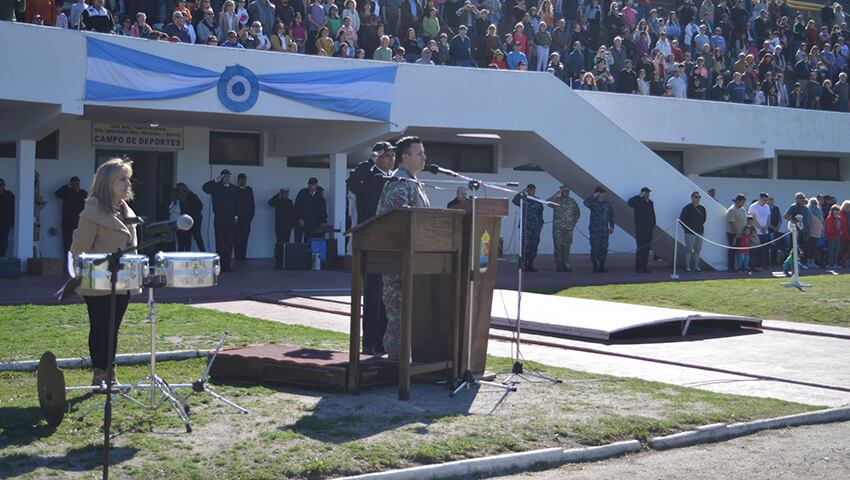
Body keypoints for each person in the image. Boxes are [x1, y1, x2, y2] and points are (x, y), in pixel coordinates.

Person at [70, 158, 139, 385]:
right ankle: (99, 374)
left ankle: (111, 373)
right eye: (122, 179)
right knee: (100, 328)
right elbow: (79, 250)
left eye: (128, 178)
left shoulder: (127, 212)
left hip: (124, 280)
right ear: (107, 182)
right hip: (98, 281)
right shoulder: (91, 213)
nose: (127, 183)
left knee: (113, 329)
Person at [376, 136, 430, 360]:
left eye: (423, 153)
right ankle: (395, 365)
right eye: (419, 153)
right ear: (404, 157)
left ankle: (407, 364)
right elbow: (397, 220)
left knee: (410, 315)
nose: (424, 157)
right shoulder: (400, 182)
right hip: (399, 261)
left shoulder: (414, 182)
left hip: (416, 259)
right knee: (398, 316)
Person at [348, 142, 396, 355]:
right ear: (378, 157)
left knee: (389, 295)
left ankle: (384, 342)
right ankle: (369, 341)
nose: (391, 159)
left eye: (393, 155)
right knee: (373, 293)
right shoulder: (366, 175)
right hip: (372, 240)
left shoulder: (396, 178)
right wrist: (370, 161)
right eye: (386, 155)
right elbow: (352, 184)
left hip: (393, 240)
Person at [203, 169, 239, 272]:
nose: (227, 178)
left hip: (230, 217)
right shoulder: (216, 187)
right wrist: (216, 180)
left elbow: (237, 203)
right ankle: (219, 265)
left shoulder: (233, 188)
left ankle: (227, 265)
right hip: (219, 217)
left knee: (229, 242)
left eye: (228, 176)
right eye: (225, 176)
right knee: (219, 241)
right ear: (222, 177)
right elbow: (205, 188)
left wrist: (236, 216)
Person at [548, 185, 580, 272]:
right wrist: (557, 194)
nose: (567, 193)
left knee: (566, 247)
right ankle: (559, 265)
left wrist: (573, 223)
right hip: (558, 228)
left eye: (568, 191)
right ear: (562, 192)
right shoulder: (557, 201)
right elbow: (547, 202)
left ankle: (565, 264)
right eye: (565, 191)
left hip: (568, 229)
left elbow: (577, 213)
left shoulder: (572, 202)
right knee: (558, 247)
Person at [512, 184, 544, 272]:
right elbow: (514, 201)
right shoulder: (523, 199)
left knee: (534, 246)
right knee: (525, 246)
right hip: (526, 227)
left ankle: (530, 264)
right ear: (528, 190)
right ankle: (524, 264)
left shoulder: (538, 200)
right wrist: (522, 191)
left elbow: (540, 213)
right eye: (530, 190)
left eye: (534, 190)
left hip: (536, 227)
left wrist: (541, 224)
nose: (533, 191)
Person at [55, 176, 89, 258]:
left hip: (79, 221)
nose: (77, 185)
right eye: (75, 183)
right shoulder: (67, 192)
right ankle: (67, 260)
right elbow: (57, 193)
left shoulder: (82, 193)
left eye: (78, 183)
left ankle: (78, 259)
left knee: (79, 241)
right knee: (67, 241)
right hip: (68, 221)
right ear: (71, 184)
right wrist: (67, 187)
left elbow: (87, 198)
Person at [584, 186, 615, 273]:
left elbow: (611, 215)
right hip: (594, 230)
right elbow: (585, 202)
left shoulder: (607, 204)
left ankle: (602, 266)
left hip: (604, 230)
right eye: (601, 193)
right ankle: (595, 267)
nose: (603, 194)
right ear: (597, 193)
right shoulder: (592, 203)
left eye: (603, 193)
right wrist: (594, 196)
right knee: (595, 248)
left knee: (604, 248)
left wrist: (612, 226)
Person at [628, 186, 656, 273]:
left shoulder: (650, 202)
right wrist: (639, 196)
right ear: (642, 193)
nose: (647, 194)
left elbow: (652, 213)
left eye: (648, 193)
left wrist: (653, 223)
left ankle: (644, 267)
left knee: (647, 248)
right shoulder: (638, 201)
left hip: (649, 228)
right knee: (641, 247)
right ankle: (638, 267)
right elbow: (630, 203)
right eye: (646, 193)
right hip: (640, 228)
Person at [679, 190, 706, 272]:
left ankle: (696, 266)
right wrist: (687, 229)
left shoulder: (702, 208)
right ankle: (687, 266)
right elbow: (681, 220)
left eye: (699, 197)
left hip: (699, 232)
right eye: (696, 197)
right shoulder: (687, 208)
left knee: (697, 250)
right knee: (689, 250)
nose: (697, 199)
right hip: (689, 233)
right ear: (692, 198)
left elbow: (704, 219)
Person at [294, 177, 328, 242]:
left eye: (313, 184)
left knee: (310, 240)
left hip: (313, 222)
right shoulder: (302, 193)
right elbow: (297, 206)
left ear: (316, 185)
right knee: (298, 240)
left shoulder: (319, 195)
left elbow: (323, 210)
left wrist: (323, 221)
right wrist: (299, 218)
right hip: (302, 221)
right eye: (310, 184)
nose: (311, 186)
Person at [784, 192, 812, 267]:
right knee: (795, 247)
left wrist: (808, 228)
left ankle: (803, 263)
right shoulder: (793, 207)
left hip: (805, 231)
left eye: (803, 197)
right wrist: (794, 221)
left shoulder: (805, 208)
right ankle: (792, 263)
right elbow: (786, 216)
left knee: (804, 247)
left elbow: (807, 219)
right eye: (799, 198)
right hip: (796, 231)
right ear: (796, 199)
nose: (801, 199)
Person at [176, 183, 205, 252]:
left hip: (195, 218)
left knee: (197, 236)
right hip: (187, 219)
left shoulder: (192, 196)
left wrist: (190, 211)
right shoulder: (181, 198)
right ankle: (188, 252)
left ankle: (203, 251)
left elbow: (200, 206)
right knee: (188, 236)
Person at [747, 193, 772, 270]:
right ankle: (753, 266)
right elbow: (752, 219)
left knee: (765, 249)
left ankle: (763, 264)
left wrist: (766, 226)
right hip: (756, 232)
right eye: (764, 200)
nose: (765, 202)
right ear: (760, 198)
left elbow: (768, 218)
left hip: (765, 232)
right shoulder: (753, 207)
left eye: (766, 200)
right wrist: (760, 227)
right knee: (755, 250)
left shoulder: (767, 207)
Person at [234, 173, 255, 260]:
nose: (243, 182)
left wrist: (251, 216)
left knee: (245, 237)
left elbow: (252, 204)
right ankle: (237, 256)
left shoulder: (249, 190)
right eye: (241, 180)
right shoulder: (235, 189)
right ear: (238, 181)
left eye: (244, 180)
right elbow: (233, 203)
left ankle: (243, 256)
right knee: (236, 238)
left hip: (247, 218)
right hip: (237, 218)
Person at [726, 194, 747, 271]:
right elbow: (731, 222)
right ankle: (731, 267)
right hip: (733, 234)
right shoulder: (732, 209)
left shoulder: (742, 209)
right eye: (742, 202)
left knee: (740, 252)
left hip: (742, 234)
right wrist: (736, 233)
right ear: (738, 201)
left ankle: (740, 266)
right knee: (732, 251)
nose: (743, 204)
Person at [0, 178, 14, 257]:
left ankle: (2, 258)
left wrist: (13, 221)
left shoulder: (9, 195)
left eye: (2, 185)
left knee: (4, 241)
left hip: (5, 222)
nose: (1, 186)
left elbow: (13, 208)